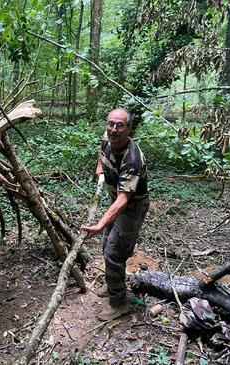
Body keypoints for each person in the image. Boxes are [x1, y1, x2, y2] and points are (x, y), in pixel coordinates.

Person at [82, 108, 149, 321]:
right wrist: (100, 166)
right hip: (115, 199)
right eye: (111, 124)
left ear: (129, 129)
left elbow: (123, 201)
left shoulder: (133, 159)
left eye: (120, 125)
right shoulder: (107, 136)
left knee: (114, 251)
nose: (113, 129)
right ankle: (113, 283)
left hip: (131, 207)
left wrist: (99, 224)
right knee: (106, 245)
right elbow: (102, 151)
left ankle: (119, 303)